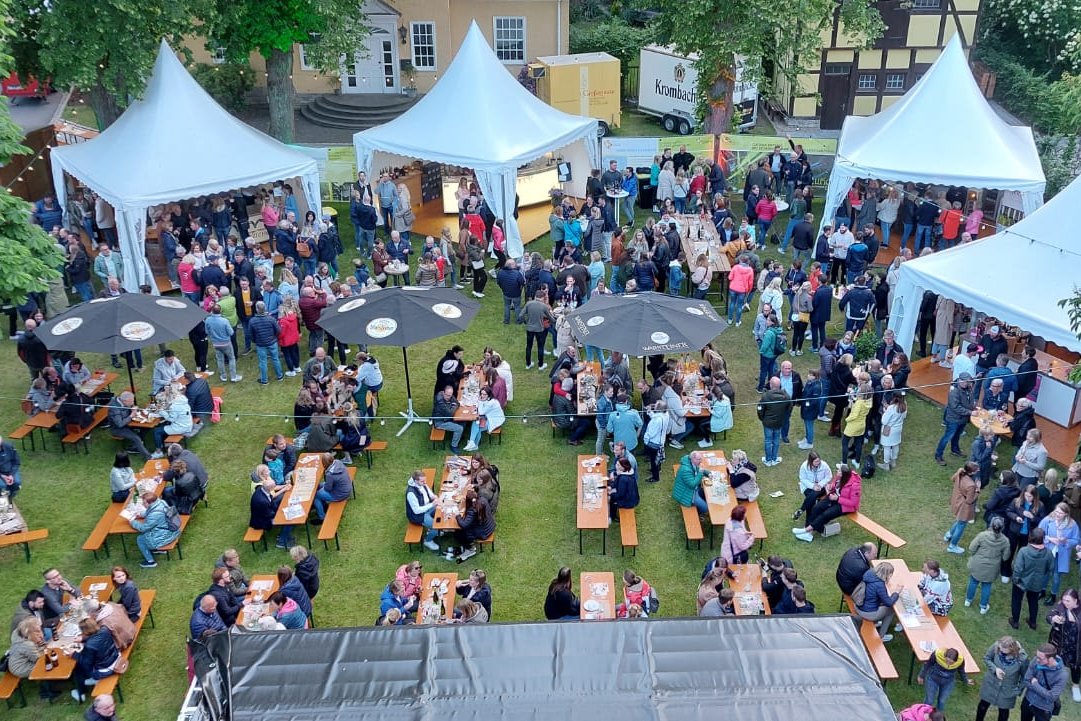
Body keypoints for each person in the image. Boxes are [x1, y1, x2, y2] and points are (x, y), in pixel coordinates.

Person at [794, 464, 862, 542]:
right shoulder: (839, 477)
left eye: (839, 471)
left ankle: (806, 530)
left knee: (826, 514)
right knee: (817, 508)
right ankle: (808, 532)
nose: (837, 471)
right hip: (834, 497)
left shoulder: (855, 485)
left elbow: (853, 502)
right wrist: (830, 486)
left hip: (846, 506)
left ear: (843, 474)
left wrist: (837, 498)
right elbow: (834, 484)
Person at [1011, 528, 1056, 631]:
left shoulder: (1024, 551)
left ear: (1030, 537)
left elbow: (1018, 568)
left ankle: (1015, 621)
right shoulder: (1048, 553)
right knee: (1033, 602)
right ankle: (1032, 622)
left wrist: (1015, 580)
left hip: (1021, 582)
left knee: (1017, 600)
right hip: (1037, 582)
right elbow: (1051, 568)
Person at [976, 636, 1029, 721]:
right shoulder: (997, 646)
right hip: (991, 683)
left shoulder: (1022, 659)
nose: (1000, 651)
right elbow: (987, 658)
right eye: (1000, 649)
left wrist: (1018, 690)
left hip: (1007, 690)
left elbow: (1025, 677)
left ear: (1011, 649)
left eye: (1003, 650)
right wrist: (995, 669)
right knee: (983, 705)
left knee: (1003, 713)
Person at [967, 516, 1012, 614]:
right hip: (992, 568)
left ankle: (968, 600)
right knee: (986, 585)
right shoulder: (1005, 541)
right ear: (1002, 528)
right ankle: (983, 607)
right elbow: (1005, 557)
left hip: (977, 564)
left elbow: (971, 548)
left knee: (973, 581)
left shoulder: (982, 535)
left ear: (991, 525)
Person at [70, 617, 120, 702]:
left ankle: (81, 693)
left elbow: (86, 663)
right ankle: (89, 681)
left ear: (85, 631)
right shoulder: (105, 630)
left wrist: (74, 654)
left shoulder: (89, 646)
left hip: (106, 669)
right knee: (85, 660)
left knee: (77, 668)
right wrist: (83, 639)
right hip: (115, 658)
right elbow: (97, 637)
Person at [1038, 503, 1079, 606]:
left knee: (1056, 576)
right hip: (1048, 551)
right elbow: (1039, 533)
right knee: (1044, 572)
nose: (1057, 514)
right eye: (1056, 512)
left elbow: (1076, 540)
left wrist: (1065, 541)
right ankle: (1042, 591)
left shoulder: (1072, 524)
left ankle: (1053, 595)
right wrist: (1050, 539)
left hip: (1061, 554)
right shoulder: (1047, 520)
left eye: (1060, 513)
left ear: (1066, 514)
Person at [1046, 588, 1081, 703]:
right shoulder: (1061, 606)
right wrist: (1053, 619)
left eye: (1068, 601)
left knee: (1075, 666)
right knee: (1054, 661)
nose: (1065, 603)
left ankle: (1075, 686)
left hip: (1076, 646)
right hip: (1058, 642)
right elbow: (1050, 615)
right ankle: (1052, 681)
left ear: (1076, 601)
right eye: (1063, 600)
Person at [128, 491, 180, 569]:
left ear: (150, 503)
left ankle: (150, 561)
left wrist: (132, 522)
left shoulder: (154, 515)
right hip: (171, 531)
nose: (142, 504)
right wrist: (140, 514)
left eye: (144, 503)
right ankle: (157, 550)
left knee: (140, 539)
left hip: (165, 536)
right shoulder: (160, 502)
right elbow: (150, 511)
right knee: (147, 535)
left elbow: (143, 528)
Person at [935, 372, 977, 466]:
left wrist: (973, 407)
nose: (968, 383)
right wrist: (970, 412)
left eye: (968, 381)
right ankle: (938, 455)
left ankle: (955, 450)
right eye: (966, 381)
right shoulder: (954, 391)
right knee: (947, 437)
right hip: (954, 419)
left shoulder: (968, 388)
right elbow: (956, 407)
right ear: (960, 381)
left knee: (957, 436)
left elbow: (969, 400)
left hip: (963, 419)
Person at [1019, 642, 1067, 721]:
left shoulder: (1062, 675)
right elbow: (1026, 680)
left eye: (1040, 658)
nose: (1037, 660)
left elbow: (1051, 697)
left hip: (1043, 709)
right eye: (1036, 656)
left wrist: (1035, 684)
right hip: (1028, 701)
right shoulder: (1036, 660)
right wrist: (1045, 692)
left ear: (1051, 659)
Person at [857, 561, 900, 642]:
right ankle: (882, 636)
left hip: (859, 606)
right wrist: (896, 593)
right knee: (891, 610)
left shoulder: (869, 574)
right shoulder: (879, 585)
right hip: (867, 613)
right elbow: (889, 602)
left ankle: (877, 622)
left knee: (881, 604)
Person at [946, 462, 981, 553]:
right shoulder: (971, 485)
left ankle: (949, 535)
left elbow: (953, 479)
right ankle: (952, 546)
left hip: (956, 500)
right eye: (977, 469)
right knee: (961, 525)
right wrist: (977, 490)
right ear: (972, 472)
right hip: (963, 507)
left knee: (958, 521)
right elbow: (970, 501)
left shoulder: (960, 471)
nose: (978, 470)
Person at [250, 477, 293, 550]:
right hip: (262, 521)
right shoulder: (262, 501)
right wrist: (282, 512)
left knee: (281, 502)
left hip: (266, 512)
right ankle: (281, 541)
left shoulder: (262, 489)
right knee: (289, 520)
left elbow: (270, 500)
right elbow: (269, 515)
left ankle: (283, 534)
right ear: (270, 489)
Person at [757, 376, 791, 467]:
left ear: (771, 385)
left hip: (768, 423)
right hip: (779, 422)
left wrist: (762, 418)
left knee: (768, 440)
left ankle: (768, 460)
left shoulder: (765, 396)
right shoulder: (786, 396)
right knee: (776, 440)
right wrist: (784, 418)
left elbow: (760, 409)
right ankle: (774, 458)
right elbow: (789, 409)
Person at [405, 470, 440, 553]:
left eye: (425, 480)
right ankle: (428, 541)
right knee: (436, 526)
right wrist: (432, 505)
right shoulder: (411, 493)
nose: (425, 482)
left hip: (427, 508)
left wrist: (435, 498)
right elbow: (417, 511)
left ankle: (433, 530)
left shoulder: (422, 484)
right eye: (422, 481)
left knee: (442, 508)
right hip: (418, 516)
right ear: (416, 481)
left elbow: (430, 495)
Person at [312, 452, 351, 523]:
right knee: (320, 485)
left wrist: (323, 488)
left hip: (340, 495)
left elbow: (328, 489)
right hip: (346, 488)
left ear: (324, 464)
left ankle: (322, 517)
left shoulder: (330, 475)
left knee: (316, 495)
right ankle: (323, 505)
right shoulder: (338, 462)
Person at [794, 451, 832, 521]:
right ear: (810, 461)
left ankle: (801, 510)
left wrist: (820, 484)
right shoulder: (804, 466)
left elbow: (829, 476)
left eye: (818, 461)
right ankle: (810, 521)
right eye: (816, 462)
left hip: (822, 486)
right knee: (812, 497)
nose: (818, 463)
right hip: (808, 487)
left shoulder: (824, 465)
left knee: (812, 497)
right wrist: (813, 486)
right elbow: (803, 479)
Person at [463, 387, 504, 452]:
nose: (482, 396)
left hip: (494, 420)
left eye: (484, 394)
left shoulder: (491, 402)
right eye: (481, 394)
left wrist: (479, 401)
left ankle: (473, 443)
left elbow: (481, 412)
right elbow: (481, 407)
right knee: (476, 424)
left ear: (489, 395)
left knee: (476, 424)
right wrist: (477, 405)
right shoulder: (488, 400)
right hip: (488, 417)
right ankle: (473, 444)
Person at [673, 450, 708, 515]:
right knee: (705, 508)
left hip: (693, 489)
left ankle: (701, 502)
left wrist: (709, 473)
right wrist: (700, 473)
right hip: (687, 493)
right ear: (693, 459)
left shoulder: (692, 462)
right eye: (699, 459)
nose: (701, 461)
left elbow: (699, 468)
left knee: (707, 493)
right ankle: (697, 513)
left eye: (701, 459)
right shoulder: (686, 470)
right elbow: (692, 485)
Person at [880, 392, 908, 471]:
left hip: (889, 429)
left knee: (887, 447)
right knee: (895, 445)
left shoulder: (891, 408)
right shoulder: (904, 405)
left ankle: (886, 465)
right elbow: (904, 416)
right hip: (898, 428)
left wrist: (885, 411)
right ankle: (893, 462)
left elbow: (884, 421)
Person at [608, 456, 639, 520]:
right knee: (610, 488)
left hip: (628, 501)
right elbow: (617, 484)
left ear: (623, 467)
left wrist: (610, 493)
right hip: (632, 496)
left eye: (618, 465)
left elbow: (620, 494)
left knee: (610, 498)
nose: (616, 466)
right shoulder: (628, 471)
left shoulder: (623, 479)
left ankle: (612, 516)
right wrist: (611, 487)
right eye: (616, 464)